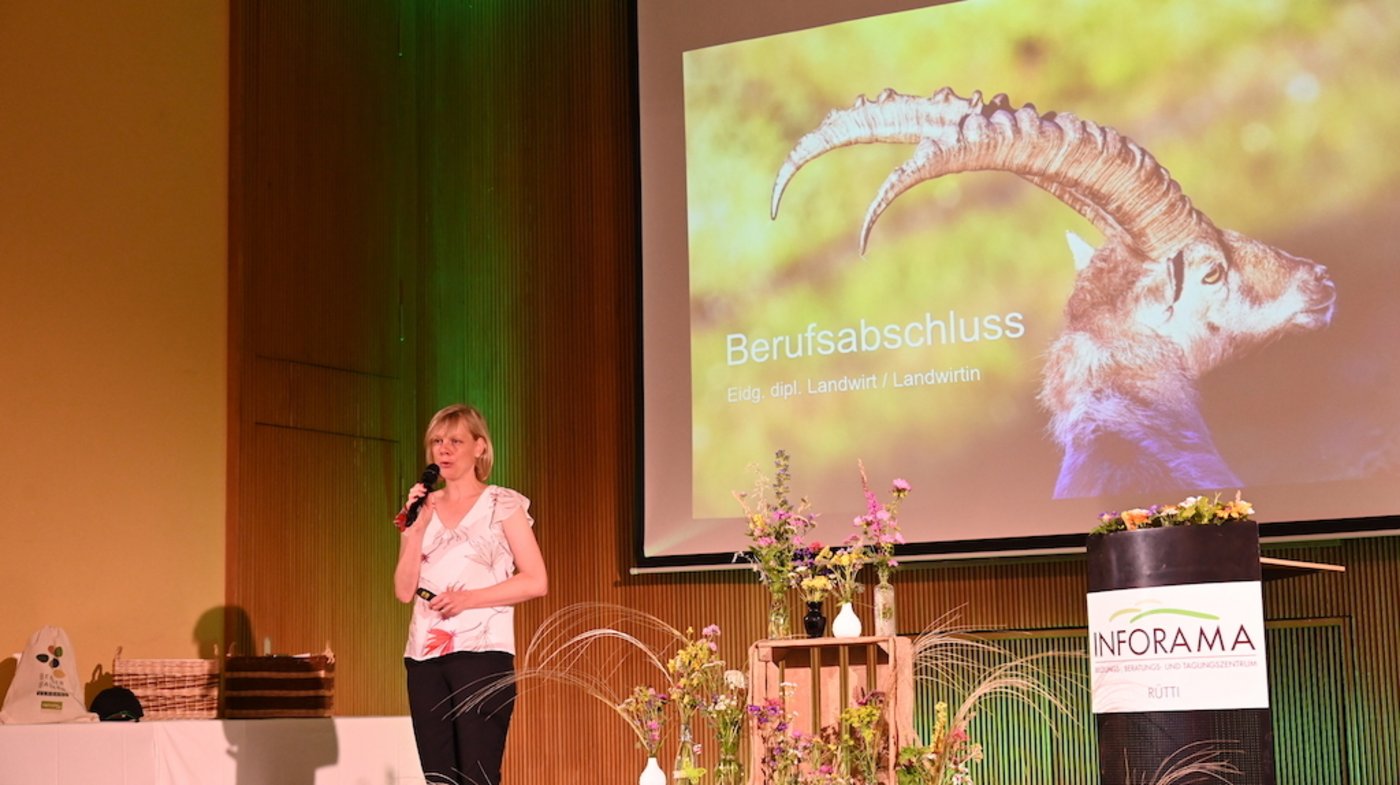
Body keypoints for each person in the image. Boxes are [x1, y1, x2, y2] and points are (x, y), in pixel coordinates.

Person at [394, 404, 548, 785]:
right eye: (437, 441)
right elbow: (402, 591)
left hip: (482, 655)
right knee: (439, 777)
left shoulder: (503, 503)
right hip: (424, 657)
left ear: (479, 447)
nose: (443, 449)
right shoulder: (422, 507)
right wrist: (414, 531)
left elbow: (535, 580)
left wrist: (467, 599)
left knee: (477, 775)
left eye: (455, 441)